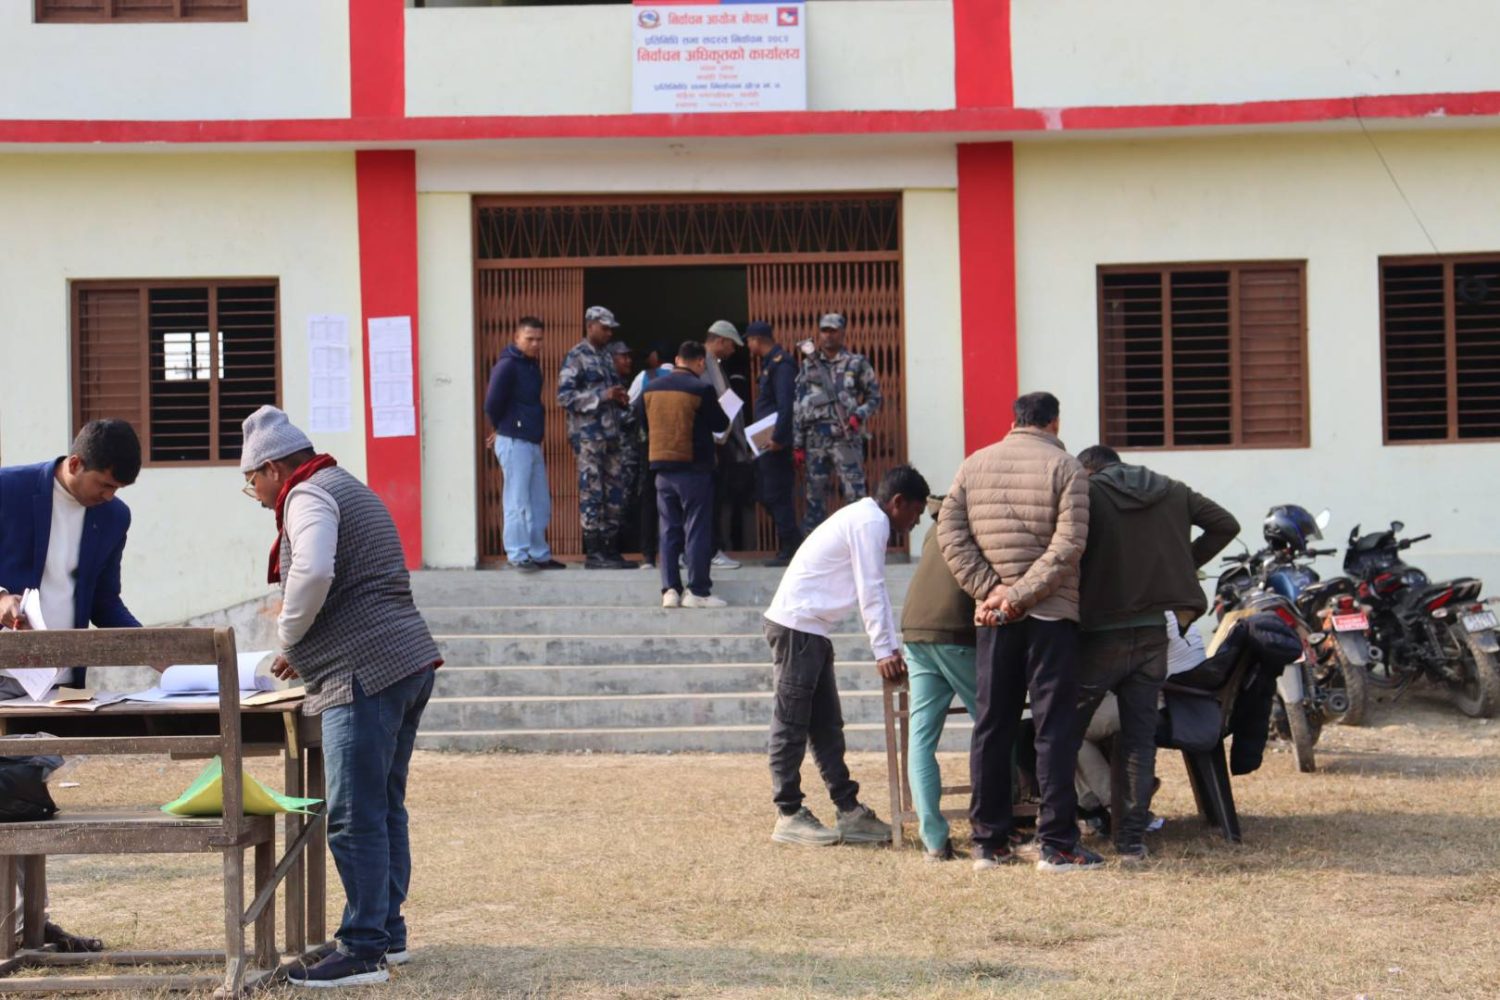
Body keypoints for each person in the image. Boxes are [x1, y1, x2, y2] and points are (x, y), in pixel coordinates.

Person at [240, 405, 440, 988]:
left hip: (363, 673)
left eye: (252, 481)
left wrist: (288, 635)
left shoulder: (306, 496)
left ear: (273, 469)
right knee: (382, 806)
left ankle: (362, 948)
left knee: (353, 815)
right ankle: (387, 932)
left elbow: (312, 574)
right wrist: (302, 645)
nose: (255, 495)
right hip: (404, 661)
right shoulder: (345, 484)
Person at [0, 419, 146, 954]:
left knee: (23, 802)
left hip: (57, 685)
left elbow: (104, 600)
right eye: (103, 485)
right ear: (75, 464)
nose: (108, 497)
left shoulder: (115, 516)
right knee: (7, 799)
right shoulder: (9, 488)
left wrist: (153, 650)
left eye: (117, 490)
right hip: (4, 674)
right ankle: (21, 926)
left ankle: (27, 925)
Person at [938, 391, 1099, 872]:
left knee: (992, 726)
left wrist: (992, 591)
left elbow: (950, 534)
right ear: (1054, 422)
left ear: (1014, 421)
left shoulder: (973, 465)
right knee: (1054, 729)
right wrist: (1021, 594)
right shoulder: (1068, 468)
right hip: (1050, 617)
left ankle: (988, 842)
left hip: (994, 619)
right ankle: (1057, 844)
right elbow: (1069, 545)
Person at [1073, 444, 1239, 862]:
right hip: (1151, 633)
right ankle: (1131, 841)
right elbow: (1226, 525)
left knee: (1064, 727)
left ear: (1089, 471)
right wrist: (1182, 565)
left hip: (1102, 629)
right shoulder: (1172, 489)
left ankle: (1060, 833)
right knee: (1138, 737)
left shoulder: (1088, 493)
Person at [762, 464, 927, 847]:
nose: (916, 522)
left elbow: (873, 589)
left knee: (826, 725)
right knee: (791, 722)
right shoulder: (871, 522)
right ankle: (788, 813)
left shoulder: (864, 517)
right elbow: (871, 587)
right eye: (916, 512)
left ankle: (848, 810)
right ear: (898, 502)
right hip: (797, 627)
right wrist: (884, 649)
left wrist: (888, 645)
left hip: (812, 630)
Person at [900, 495, 977, 862]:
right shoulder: (978, 521)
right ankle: (997, 823)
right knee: (996, 726)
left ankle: (933, 841)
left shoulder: (938, 523)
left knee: (921, 738)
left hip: (915, 630)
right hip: (955, 631)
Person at [635, 341, 730, 609]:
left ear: (677, 360)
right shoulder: (701, 388)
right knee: (696, 529)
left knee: (668, 530)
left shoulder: (650, 389)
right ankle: (697, 591)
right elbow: (720, 423)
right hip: (695, 469)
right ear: (700, 362)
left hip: (662, 470)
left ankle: (670, 590)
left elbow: (642, 423)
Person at [482, 316, 562, 573]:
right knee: (517, 502)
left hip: (531, 441)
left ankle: (539, 554)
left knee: (539, 502)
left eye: (539, 339)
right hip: (514, 440)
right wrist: (502, 428)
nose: (535, 344)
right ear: (517, 338)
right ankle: (517, 554)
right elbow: (491, 403)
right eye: (529, 339)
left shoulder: (532, 366)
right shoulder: (507, 365)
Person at [557, 305, 635, 569]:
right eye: (605, 328)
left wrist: (619, 398)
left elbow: (611, 391)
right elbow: (565, 397)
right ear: (590, 326)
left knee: (615, 491)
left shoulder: (605, 357)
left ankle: (610, 549)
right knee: (592, 492)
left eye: (611, 329)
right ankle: (594, 552)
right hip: (589, 437)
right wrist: (602, 396)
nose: (609, 333)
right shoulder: (576, 356)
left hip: (612, 435)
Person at [793, 313, 881, 535]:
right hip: (815, 439)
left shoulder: (856, 363)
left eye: (833, 331)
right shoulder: (808, 365)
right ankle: (815, 547)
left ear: (842, 333)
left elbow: (875, 397)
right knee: (814, 499)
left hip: (845, 437)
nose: (828, 335)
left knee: (855, 497)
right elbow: (798, 406)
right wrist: (798, 444)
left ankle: (859, 540)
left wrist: (858, 415)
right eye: (824, 330)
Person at [744, 321, 801, 566]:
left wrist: (778, 438)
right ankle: (792, 542)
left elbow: (786, 404)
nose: (748, 345)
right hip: (765, 441)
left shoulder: (782, 364)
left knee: (776, 494)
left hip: (775, 443)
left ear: (757, 340)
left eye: (749, 340)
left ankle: (790, 547)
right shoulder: (770, 364)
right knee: (765, 493)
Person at [703, 320, 749, 570]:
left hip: (720, 441)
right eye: (732, 345)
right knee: (709, 501)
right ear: (720, 341)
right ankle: (710, 550)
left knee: (717, 498)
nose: (733, 350)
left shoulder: (716, 364)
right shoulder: (702, 363)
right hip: (709, 443)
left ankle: (712, 548)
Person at [628, 348, 673, 570]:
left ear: (655, 356)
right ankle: (677, 554)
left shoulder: (645, 377)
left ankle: (648, 556)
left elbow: (629, 406)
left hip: (651, 448)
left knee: (649, 499)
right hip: (680, 449)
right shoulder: (689, 379)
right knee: (679, 502)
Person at [608, 342, 643, 562]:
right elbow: (619, 419)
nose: (628, 361)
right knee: (618, 504)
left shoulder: (624, 384)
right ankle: (615, 550)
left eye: (629, 356)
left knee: (630, 504)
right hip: (618, 456)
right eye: (623, 357)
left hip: (631, 455)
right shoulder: (610, 387)